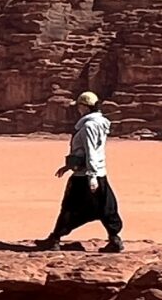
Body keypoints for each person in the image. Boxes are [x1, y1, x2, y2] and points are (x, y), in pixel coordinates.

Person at [40, 90, 124, 253]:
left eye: (79, 106)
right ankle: (114, 239)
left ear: (85, 107)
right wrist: (69, 166)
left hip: (85, 176)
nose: (78, 109)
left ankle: (55, 239)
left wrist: (91, 176)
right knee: (106, 207)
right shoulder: (101, 123)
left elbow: (91, 150)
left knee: (70, 207)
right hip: (99, 172)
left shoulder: (88, 126)